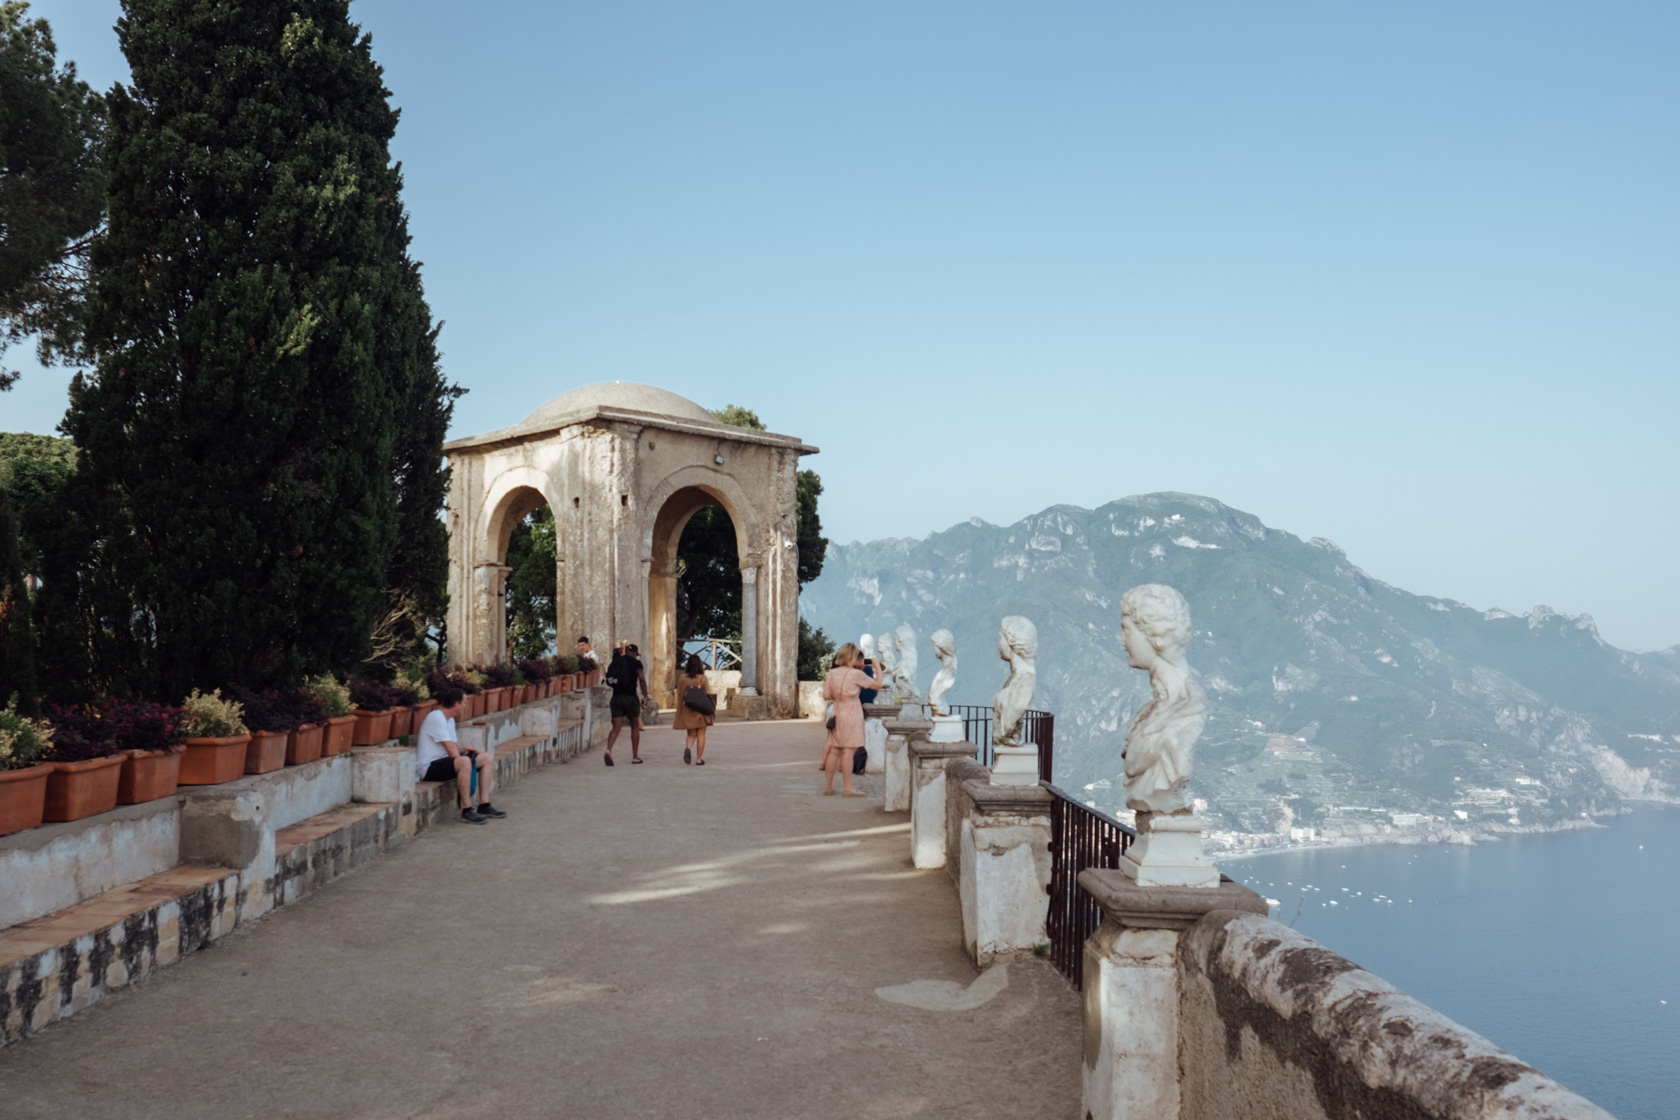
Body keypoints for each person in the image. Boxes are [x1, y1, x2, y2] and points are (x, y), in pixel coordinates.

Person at [413, 688, 505, 823]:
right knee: (465, 762)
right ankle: (466, 809)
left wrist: (464, 750)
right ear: (456, 704)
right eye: (464, 702)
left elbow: (454, 746)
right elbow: (450, 750)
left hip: (444, 761)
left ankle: (484, 805)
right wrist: (465, 759)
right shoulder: (436, 717)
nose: (465, 705)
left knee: (487, 758)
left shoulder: (449, 720)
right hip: (428, 768)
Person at [820, 643, 876, 797]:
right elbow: (877, 685)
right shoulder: (855, 674)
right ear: (852, 656)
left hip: (836, 712)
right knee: (848, 751)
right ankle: (847, 788)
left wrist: (839, 695)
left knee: (834, 749)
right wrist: (876, 665)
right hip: (851, 713)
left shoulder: (831, 673)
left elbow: (826, 696)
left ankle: (828, 787)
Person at [604, 641, 649, 765]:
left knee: (616, 727)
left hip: (616, 698)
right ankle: (635, 756)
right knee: (634, 726)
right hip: (630, 698)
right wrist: (645, 695)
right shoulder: (636, 663)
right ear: (634, 653)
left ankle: (608, 750)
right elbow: (641, 679)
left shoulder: (616, 662)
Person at [671, 653, 716, 765]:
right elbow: (707, 692)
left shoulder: (682, 677)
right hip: (701, 710)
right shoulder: (702, 678)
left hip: (688, 709)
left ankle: (688, 748)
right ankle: (699, 759)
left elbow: (680, 692)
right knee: (701, 734)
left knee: (691, 734)